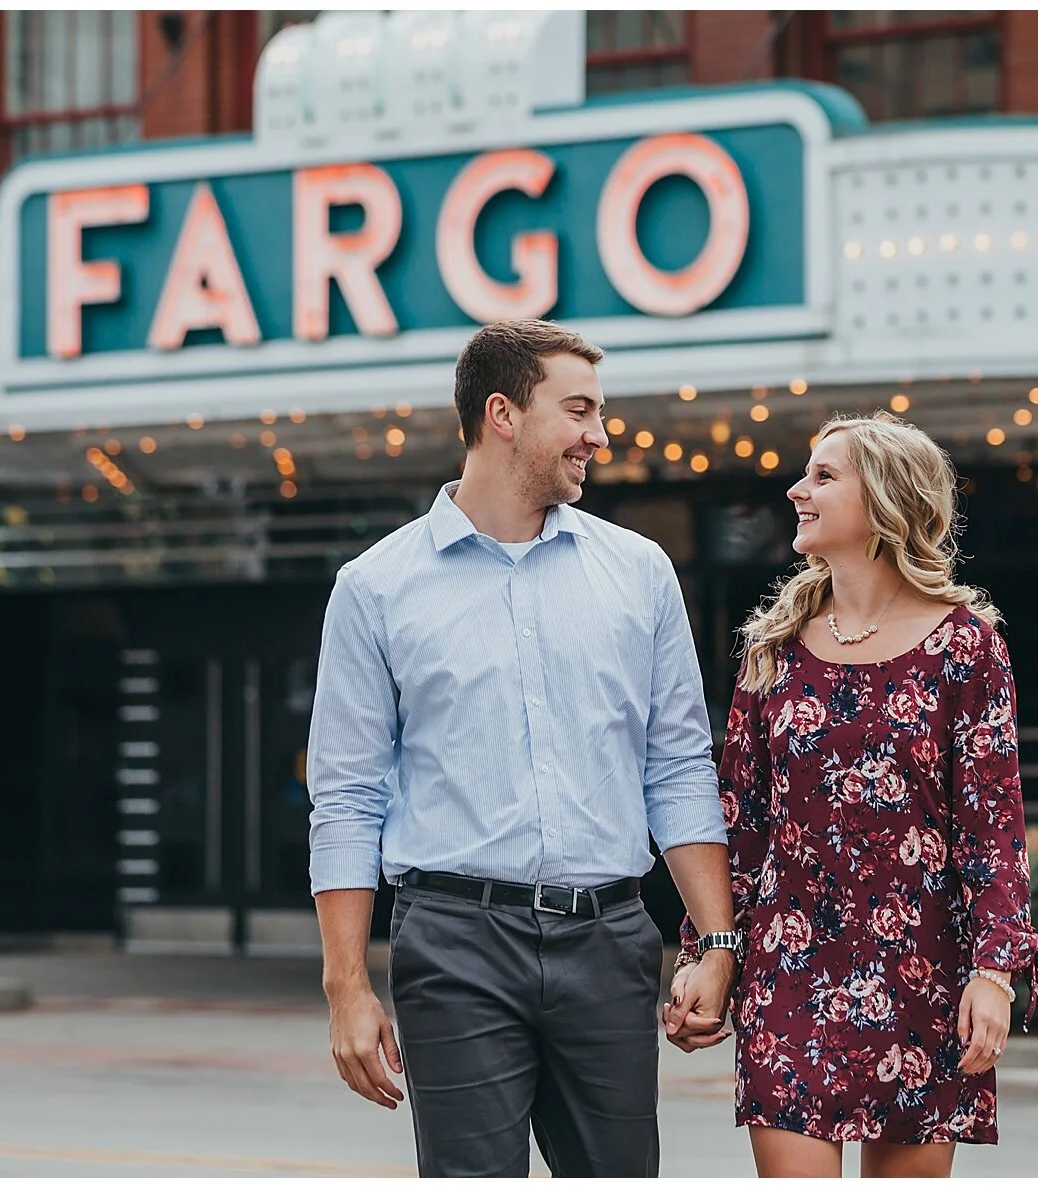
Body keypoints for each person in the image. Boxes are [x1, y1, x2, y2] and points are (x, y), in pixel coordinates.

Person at [307, 319, 738, 1177]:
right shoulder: (374, 590)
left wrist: (717, 944)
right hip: (453, 941)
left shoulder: (640, 573)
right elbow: (348, 797)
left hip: (611, 936)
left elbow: (680, 766)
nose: (599, 435)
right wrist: (346, 985)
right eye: (578, 411)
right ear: (502, 414)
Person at [664, 412, 1038, 1176]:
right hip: (790, 965)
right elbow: (739, 824)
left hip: (923, 969)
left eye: (822, 476)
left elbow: (994, 829)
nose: (796, 489)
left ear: (883, 502)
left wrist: (995, 973)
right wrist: (706, 955)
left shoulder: (967, 645)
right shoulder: (773, 646)